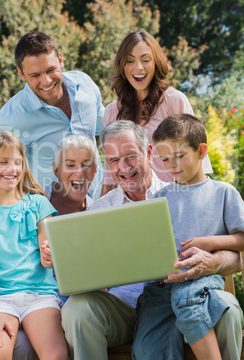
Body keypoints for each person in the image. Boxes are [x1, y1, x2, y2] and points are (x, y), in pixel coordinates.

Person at [61, 120, 243, 360]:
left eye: (130, 157)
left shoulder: (180, 191)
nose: (123, 168)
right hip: (133, 306)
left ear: (148, 154)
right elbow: (86, 274)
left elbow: (236, 249)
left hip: (190, 289)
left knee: (222, 310)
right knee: (80, 307)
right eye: (114, 160)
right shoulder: (98, 212)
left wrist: (212, 254)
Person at [132, 113, 244, 360]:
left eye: (180, 156)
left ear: (201, 151)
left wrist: (209, 243)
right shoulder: (159, 199)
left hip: (201, 280)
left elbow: (242, 238)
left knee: (187, 298)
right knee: (145, 349)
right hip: (162, 288)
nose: (173, 166)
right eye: (165, 159)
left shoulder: (223, 192)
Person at [0, 131, 68, 360]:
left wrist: (49, 256)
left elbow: (48, 255)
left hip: (39, 295)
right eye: (3, 162)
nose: (12, 169)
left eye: (17, 162)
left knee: (55, 355)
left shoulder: (38, 203)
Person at [12, 134, 99, 360]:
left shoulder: (99, 213)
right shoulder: (31, 207)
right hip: (32, 303)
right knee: (19, 344)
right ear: (56, 170)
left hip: (78, 310)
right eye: (70, 165)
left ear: (96, 171)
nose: (79, 172)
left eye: (86, 165)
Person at [0, 31, 105, 199]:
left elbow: (105, 128)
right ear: (21, 74)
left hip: (102, 200)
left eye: (51, 70)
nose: (46, 81)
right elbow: (2, 180)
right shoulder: (10, 119)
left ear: (60, 59)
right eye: (35, 75)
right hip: (56, 214)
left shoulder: (85, 84)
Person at [101, 30, 212, 195]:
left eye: (145, 60)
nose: (138, 67)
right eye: (130, 61)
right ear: (122, 66)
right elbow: (110, 174)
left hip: (174, 199)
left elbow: (197, 162)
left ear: (156, 63)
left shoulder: (174, 101)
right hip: (131, 203)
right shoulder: (112, 112)